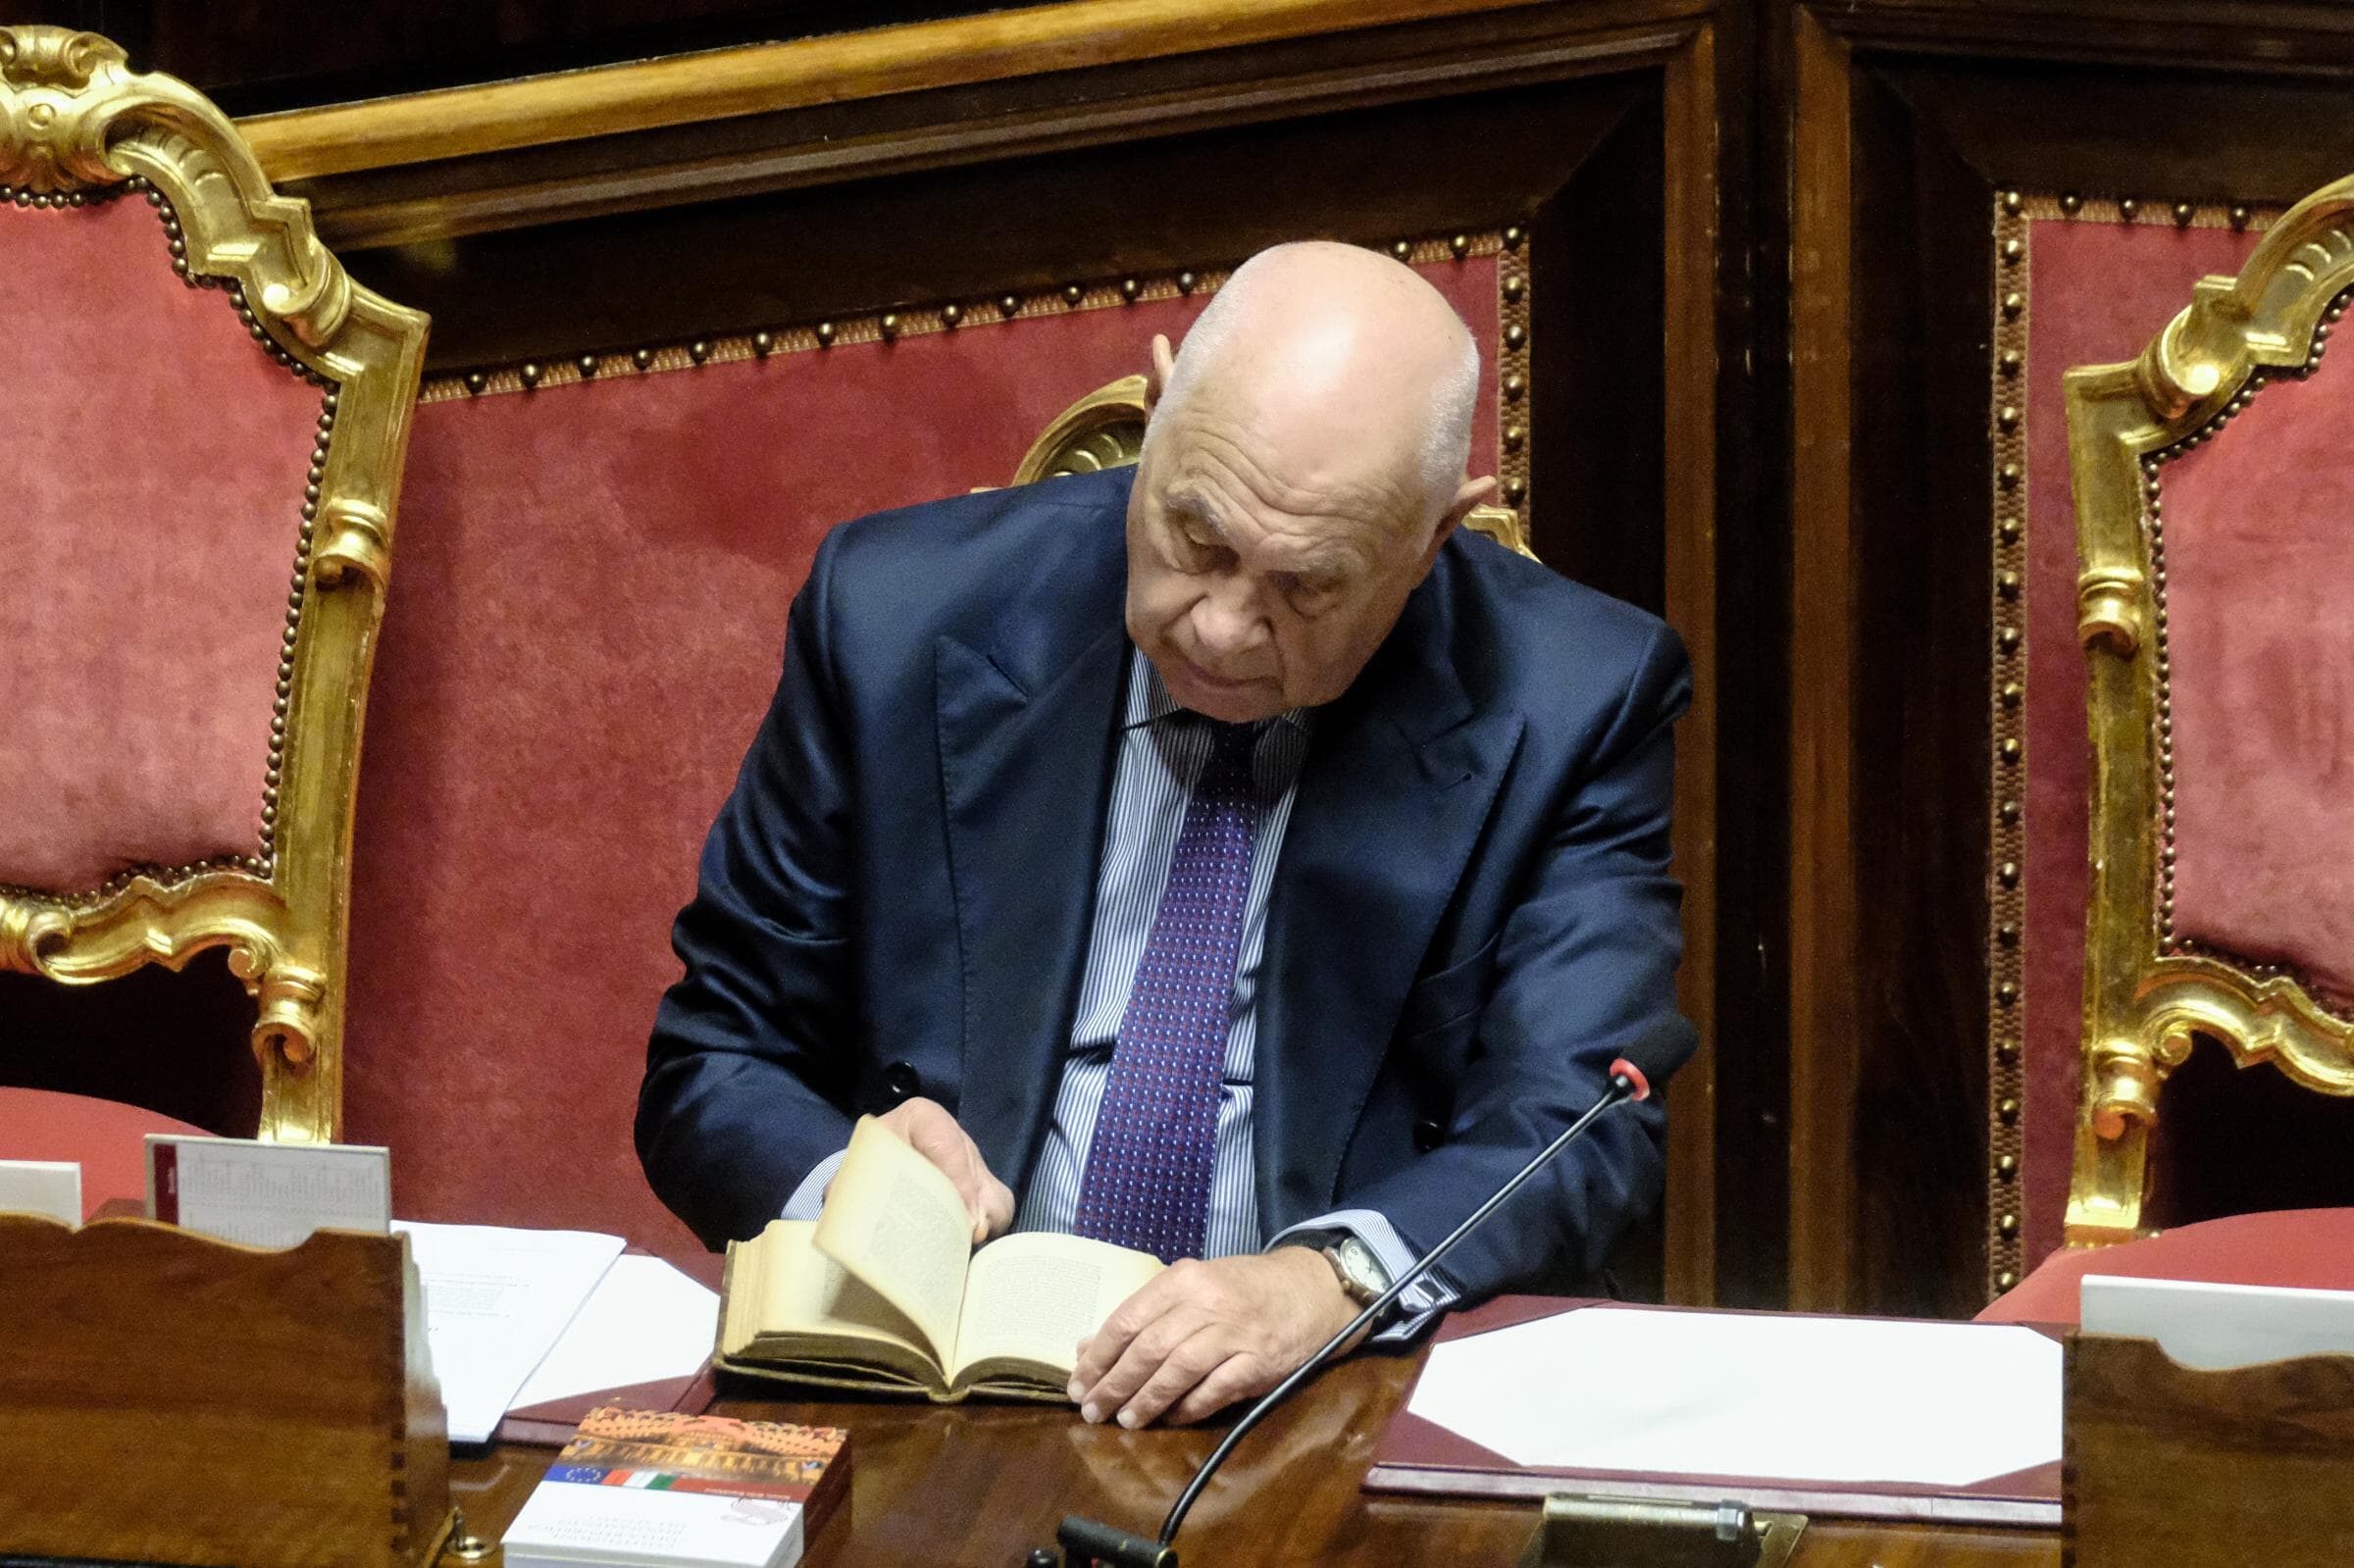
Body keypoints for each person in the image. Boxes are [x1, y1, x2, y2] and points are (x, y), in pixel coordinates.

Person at [638, 240, 1694, 1429]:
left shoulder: (1574, 698)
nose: (1224, 629)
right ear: (1156, 403)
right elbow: (715, 1057)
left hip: (1325, 1397)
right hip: (936, 1407)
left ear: (1435, 540)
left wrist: (1329, 1281)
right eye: (1198, 538)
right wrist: (865, 1195)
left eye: (1307, 587)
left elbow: (1580, 1124)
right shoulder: (894, 616)